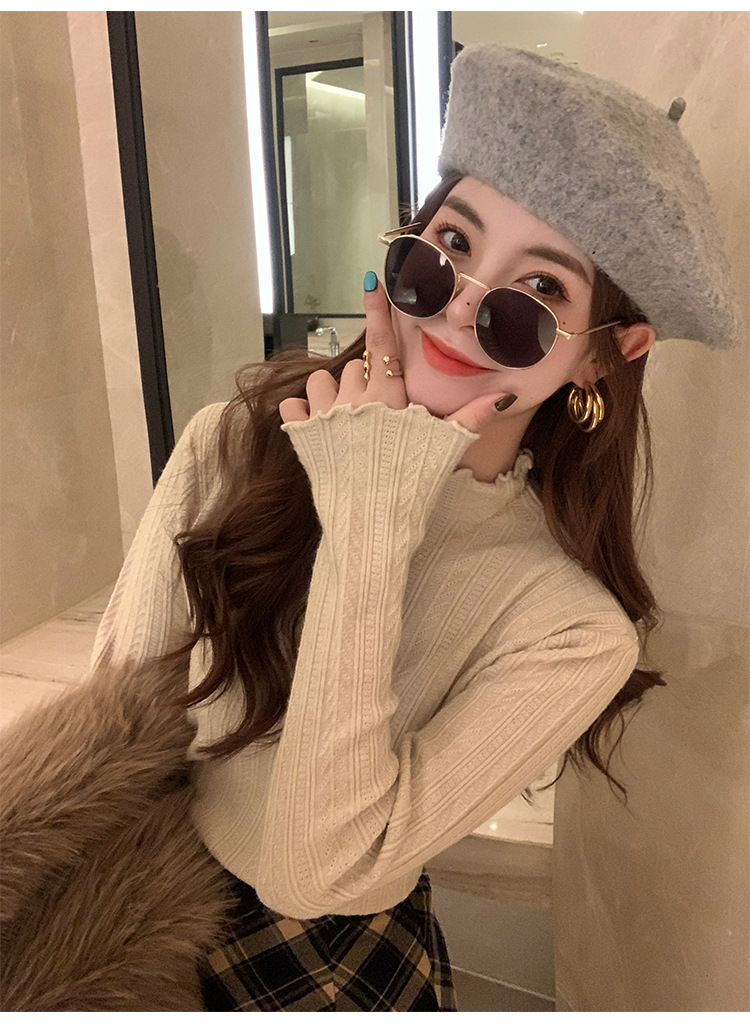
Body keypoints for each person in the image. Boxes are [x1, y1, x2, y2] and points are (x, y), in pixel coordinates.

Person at [89, 45, 742, 1011]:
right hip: (129, 920)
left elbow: (311, 871)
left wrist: (371, 514)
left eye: (540, 293)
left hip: (334, 972)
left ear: (607, 355)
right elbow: (115, 736)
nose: (465, 302)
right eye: (450, 245)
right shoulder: (232, 441)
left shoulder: (570, 628)